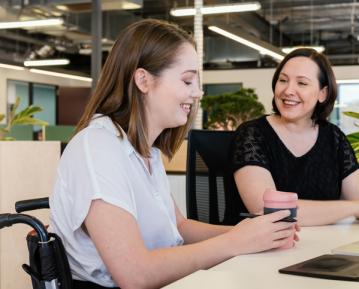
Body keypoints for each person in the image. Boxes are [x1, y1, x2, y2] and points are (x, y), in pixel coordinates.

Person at [49, 19, 296, 289]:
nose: (198, 92)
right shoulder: (96, 148)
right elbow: (134, 274)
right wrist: (234, 242)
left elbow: (178, 228)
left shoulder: (145, 152)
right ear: (143, 80)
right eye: (187, 80)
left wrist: (256, 235)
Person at [230, 48, 359, 227]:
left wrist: (354, 207)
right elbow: (269, 212)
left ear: (323, 93)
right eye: (283, 80)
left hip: (324, 248)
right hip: (264, 251)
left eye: (302, 83)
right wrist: (353, 208)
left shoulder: (334, 138)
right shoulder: (251, 135)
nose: (288, 90)